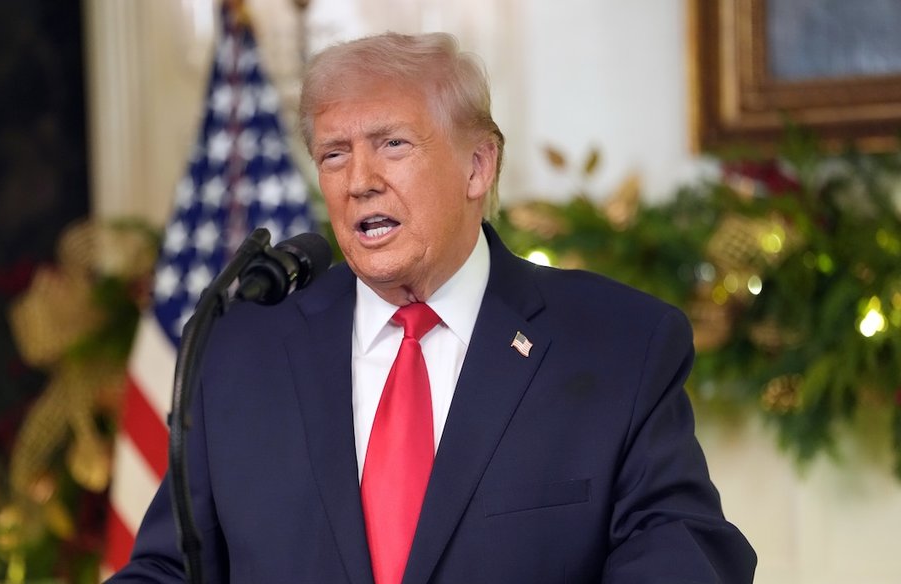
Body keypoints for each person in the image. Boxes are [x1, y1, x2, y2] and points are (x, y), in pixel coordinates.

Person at [108, 32, 756, 583]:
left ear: (478, 167)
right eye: (335, 154)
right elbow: (171, 569)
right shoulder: (240, 352)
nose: (359, 180)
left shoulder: (617, 343)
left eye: (393, 145)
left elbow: (686, 557)